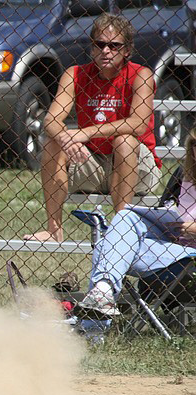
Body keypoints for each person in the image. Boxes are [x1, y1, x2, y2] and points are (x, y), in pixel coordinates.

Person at [23, 14, 161, 242]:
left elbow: (138, 124)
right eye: (100, 44)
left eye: (114, 45)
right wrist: (67, 140)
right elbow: (51, 121)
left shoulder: (141, 75)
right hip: (92, 161)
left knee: (124, 141)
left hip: (137, 165)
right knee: (52, 143)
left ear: (126, 50)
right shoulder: (74, 74)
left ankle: (120, 233)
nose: (106, 51)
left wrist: (85, 133)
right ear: (92, 48)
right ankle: (53, 229)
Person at [79, 127, 196, 316]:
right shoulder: (184, 176)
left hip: (190, 256)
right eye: (194, 145)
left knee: (106, 247)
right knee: (126, 216)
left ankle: (94, 324)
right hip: (172, 245)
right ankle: (103, 291)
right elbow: (166, 206)